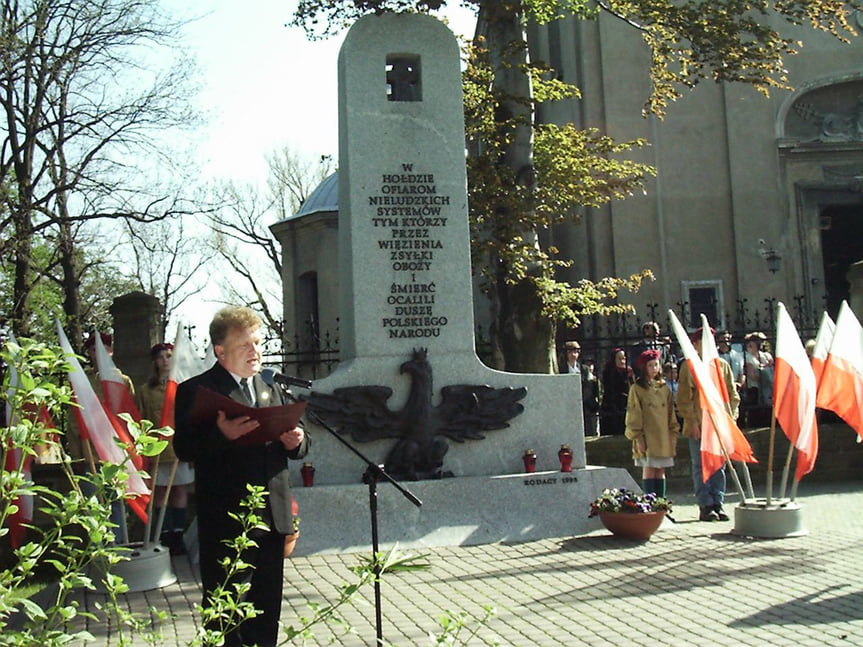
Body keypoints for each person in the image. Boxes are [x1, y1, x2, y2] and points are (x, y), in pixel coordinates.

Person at [174, 306, 310, 647]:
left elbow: (301, 440)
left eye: (259, 343)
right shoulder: (197, 390)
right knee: (225, 615)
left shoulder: (270, 388)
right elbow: (184, 448)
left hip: (273, 516)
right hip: (227, 520)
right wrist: (221, 435)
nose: (256, 352)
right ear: (220, 352)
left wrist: (297, 441)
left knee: (265, 612)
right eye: (245, 345)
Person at [676, 327, 740, 522]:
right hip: (700, 424)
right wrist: (693, 421)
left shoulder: (722, 366)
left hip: (718, 425)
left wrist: (730, 419)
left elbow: (732, 395)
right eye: (702, 342)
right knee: (700, 466)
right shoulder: (689, 367)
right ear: (695, 345)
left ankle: (718, 502)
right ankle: (705, 504)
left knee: (719, 466)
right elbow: (684, 399)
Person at [136, 342, 193, 555]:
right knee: (159, 494)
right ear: (154, 362)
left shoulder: (182, 386)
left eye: (169, 356)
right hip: (158, 450)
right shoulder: (146, 390)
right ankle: (162, 533)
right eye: (160, 357)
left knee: (179, 490)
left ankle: (178, 534)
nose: (165, 361)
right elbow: (141, 420)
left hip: (179, 450)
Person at [625, 350, 680, 499]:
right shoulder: (637, 389)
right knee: (649, 468)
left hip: (663, 435)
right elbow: (634, 414)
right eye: (650, 365)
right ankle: (650, 502)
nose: (654, 368)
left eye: (656, 365)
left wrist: (673, 435)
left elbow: (670, 414)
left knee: (660, 469)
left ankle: (661, 502)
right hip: (647, 436)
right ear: (643, 368)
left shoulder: (664, 388)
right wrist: (639, 438)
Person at [562, 340, 599, 436]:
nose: (573, 355)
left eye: (576, 352)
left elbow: (588, 385)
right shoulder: (561, 369)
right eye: (570, 352)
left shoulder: (584, 369)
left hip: (584, 403)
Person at [743, 331, 774, 427]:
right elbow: (751, 375)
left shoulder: (766, 356)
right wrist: (764, 372)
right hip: (754, 388)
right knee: (755, 410)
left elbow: (772, 367)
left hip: (767, 388)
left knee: (768, 408)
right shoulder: (747, 357)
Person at [600, 348, 633, 436]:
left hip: (626, 405)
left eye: (624, 358)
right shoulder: (608, 372)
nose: (622, 361)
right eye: (619, 358)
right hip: (612, 406)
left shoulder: (629, 372)